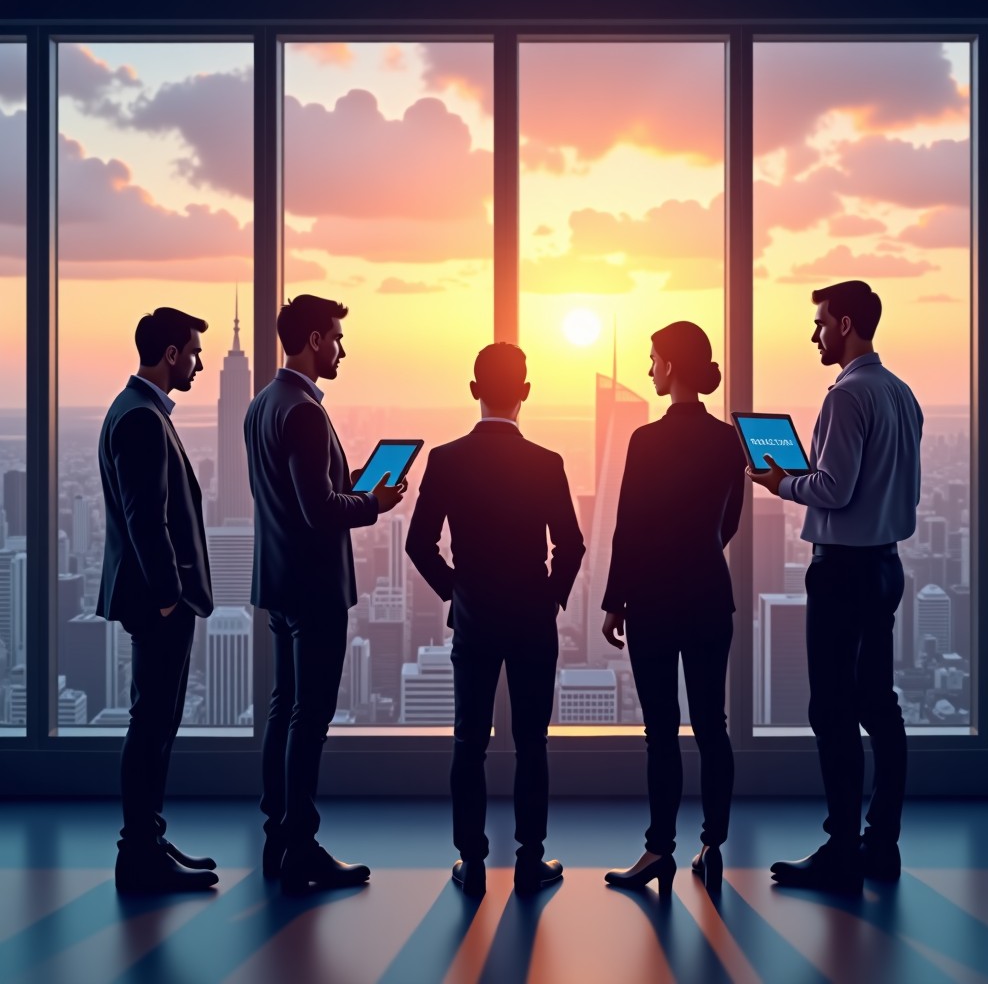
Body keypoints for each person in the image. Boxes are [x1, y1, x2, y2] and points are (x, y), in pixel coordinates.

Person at [749, 280, 922, 894]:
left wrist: (781, 485)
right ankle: (882, 845)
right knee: (880, 705)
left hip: (843, 569)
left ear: (845, 323)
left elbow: (834, 490)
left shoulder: (847, 396)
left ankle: (842, 849)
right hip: (885, 566)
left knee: (832, 709)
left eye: (821, 322)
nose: (814, 334)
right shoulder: (901, 393)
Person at [405, 343, 585, 897]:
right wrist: (550, 598)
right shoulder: (547, 462)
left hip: (476, 618)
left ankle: (472, 863)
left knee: (469, 741)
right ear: (526, 392)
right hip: (533, 619)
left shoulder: (446, 459)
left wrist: (456, 595)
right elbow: (572, 546)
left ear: (474, 389)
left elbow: (419, 544)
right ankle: (530, 863)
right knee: (533, 742)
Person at [244, 294, 406, 895]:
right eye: (336, 337)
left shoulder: (263, 404)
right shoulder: (305, 412)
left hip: (279, 581)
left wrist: (351, 485)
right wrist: (374, 503)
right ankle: (302, 849)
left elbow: (285, 499)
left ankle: (277, 839)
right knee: (309, 719)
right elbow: (317, 510)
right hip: (314, 587)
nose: (342, 349)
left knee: (283, 710)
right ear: (314, 340)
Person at [601, 322, 745, 897]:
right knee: (714, 726)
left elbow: (627, 527)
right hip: (710, 592)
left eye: (654, 358)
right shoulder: (728, 440)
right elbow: (729, 521)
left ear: (672, 366)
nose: (650, 369)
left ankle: (659, 850)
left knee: (660, 731)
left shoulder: (645, 440)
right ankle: (714, 845)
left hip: (654, 600)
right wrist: (700, 551)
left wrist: (615, 601)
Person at [96, 307, 218, 894]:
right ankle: (138, 853)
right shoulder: (141, 418)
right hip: (157, 602)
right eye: (194, 352)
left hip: (153, 598)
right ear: (171, 354)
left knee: (158, 721)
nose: (198, 363)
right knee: (151, 724)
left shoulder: (137, 410)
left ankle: (148, 838)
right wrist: (170, 598)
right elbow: (148, 520)